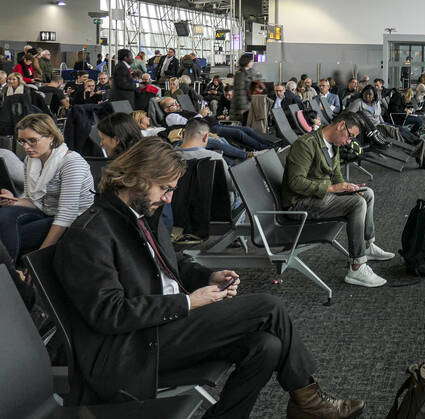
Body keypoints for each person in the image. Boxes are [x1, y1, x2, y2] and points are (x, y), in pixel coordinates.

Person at [54, 137, 366, 416]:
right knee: (269, 307)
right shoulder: (90, 233)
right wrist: (187, 303)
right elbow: (110, 314)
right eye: (165, 189)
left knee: (266, 346)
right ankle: (308, 402)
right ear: (135, 177)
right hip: (131, 348)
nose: (168, 199)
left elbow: (169, 265)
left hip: (162, 327)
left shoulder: (138, 214)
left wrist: (209, 276)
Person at [281, 112, 392, 287]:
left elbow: (336, 175)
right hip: (299, 203)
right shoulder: (305, 145)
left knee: (366, 193)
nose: (350, 141)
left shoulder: (333, 144)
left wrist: (347, 186)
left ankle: (367, 245)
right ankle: (357, 266)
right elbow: (295, 183)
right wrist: (333, 188)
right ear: (341, 126)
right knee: (357, 203)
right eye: (351, 136)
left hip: (319, 196)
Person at [0, 114, 94, 260]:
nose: (26, 147)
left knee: (6, 236)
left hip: (76, 221)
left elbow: (66, 214)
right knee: (4, 216)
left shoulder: (71, 163)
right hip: (46, 212)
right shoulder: (31, 160)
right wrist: (14, 201)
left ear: (51, 136)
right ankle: (11, 271)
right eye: (22, 141)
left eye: (32, 141)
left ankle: (11, 274)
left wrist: (41, 256)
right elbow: (33, 200)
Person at [231, 53, 253, 123]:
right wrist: (242, 109)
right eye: (251, 61)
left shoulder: (247, 73)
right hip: (243, 106)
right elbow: (240, 92)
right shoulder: (241, 74)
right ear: (247, 61)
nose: (253, 62)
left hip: (246, 104)